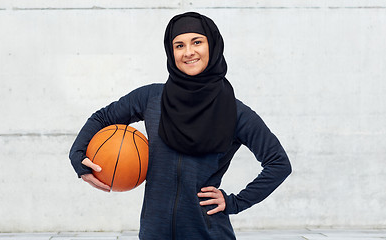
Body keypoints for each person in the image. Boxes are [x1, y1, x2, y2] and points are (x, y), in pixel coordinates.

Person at [69, 12, 291, 240]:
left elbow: (279, 163)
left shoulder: (235, 112)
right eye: (179, 45)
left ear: (212, 45)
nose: (188, 52)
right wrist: (77, 157)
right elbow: (102, 118)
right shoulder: (151, 98)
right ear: (170, 51)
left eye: (197, 42)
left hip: (208, 233)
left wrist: (234, 202)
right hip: (154, 233)